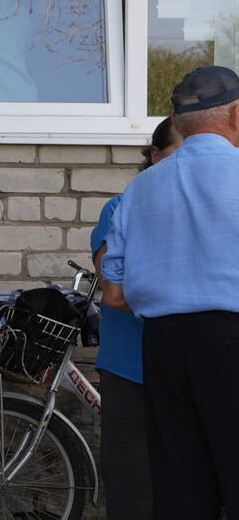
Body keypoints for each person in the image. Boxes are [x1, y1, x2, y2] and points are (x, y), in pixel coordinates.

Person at [102, 66, 239, 517]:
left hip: (162, 346)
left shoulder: (141, 187)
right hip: (231, 340)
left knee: (180, 485)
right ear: (236, 115)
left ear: (179, 124)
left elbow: (114, 292)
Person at [91, 116, 179, 520]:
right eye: (177, 159)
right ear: (155, 156)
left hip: (190, 367)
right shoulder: (120, 208)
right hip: (132, 370)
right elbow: (116, 291)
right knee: (133, 492)